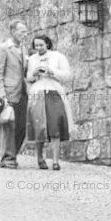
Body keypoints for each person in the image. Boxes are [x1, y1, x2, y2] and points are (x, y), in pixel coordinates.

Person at [26, 35, 73, 170]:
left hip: (54, 91)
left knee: (55, 125)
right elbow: (29, 77)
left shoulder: (58, 56)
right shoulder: (32, 59)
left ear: (47, 44)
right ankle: (40, 158)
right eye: (36, 46)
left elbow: (67, 75)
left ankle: (55, 161)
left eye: (41, 45)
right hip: (37, 92)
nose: (39, 48)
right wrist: (34, 73)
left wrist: (53, 72)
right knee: (39, 125)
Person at [0, 20, 28, 169]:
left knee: (21, 127)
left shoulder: (24, 49)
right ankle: (7, 158)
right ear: (13, 31)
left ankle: (13, 154)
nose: (24, 34)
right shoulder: (3, 49)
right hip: (8, 92)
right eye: (21, 31)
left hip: (23, 93)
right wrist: (2, 96)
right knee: (8, 125)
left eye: (25, 31)